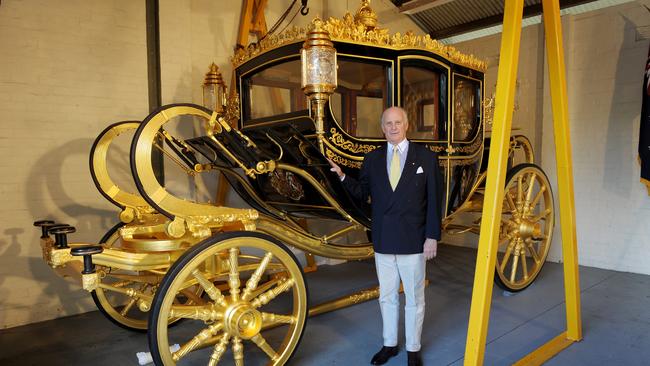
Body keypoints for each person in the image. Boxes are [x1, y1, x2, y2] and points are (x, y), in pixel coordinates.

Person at [328, 106, 442, 366]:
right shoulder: (373, 159)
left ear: (407, 124)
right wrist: (343, 176)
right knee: (387, 295)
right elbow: (362, 192)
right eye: (388, 123)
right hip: (382, 237)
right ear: (382, 128)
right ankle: (389, 344)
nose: (393, 127)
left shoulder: (425, 157)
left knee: (414, 298)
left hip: (413, 239)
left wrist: (432, 236)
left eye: (397, 122)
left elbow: (435, 200)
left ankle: (413, 349)